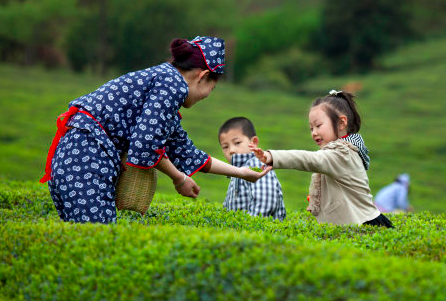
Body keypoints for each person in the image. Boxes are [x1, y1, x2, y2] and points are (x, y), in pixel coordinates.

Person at [40, 36, 270, 223]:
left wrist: (240, 173)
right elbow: (146, 143)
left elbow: (185, 152)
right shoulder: (171, 86)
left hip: (76, 153)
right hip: (86, 156)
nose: (208, 95)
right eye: (213, 87)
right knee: (96, 241)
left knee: (86, 239)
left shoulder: (164, 83)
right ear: (203, 76)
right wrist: (178, 178)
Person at [250, 90, 393, 228]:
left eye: (318, 126)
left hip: (363, 223)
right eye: (311, 128)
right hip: (360, 220)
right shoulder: (343, 150)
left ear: (341, 123)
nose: (314, 133)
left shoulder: (343, 154)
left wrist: (272, 156)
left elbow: (308, 159)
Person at [218, 117, 286, 220]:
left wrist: (250, 227)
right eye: (225, 147)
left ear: (253, 142)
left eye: (237, 143)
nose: (231, 150)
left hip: (262, 234)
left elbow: (265, 202)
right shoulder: (236, 171)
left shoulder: (257, 165)